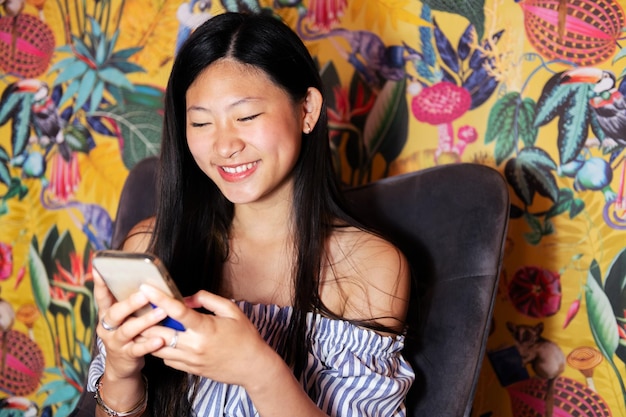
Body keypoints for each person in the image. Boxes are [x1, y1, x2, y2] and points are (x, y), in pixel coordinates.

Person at [87, 11, 415, 417]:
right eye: (201, 122)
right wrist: (122, 372)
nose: (224, 146)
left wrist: (259, 371)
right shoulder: (153, 244)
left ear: (307, 110)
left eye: (246, 117)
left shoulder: (370, 268)